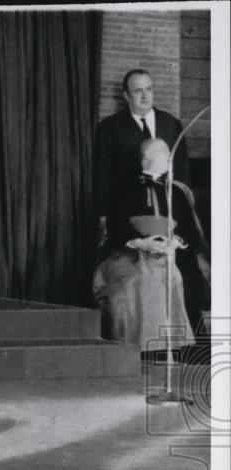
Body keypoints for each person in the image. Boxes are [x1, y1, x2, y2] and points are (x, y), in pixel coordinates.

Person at [92, 138, 210, 350]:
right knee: (137, 280)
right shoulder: (123, 189)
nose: (169, 159)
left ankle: (182, 348)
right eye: (165, 154)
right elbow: (116, 227)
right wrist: (141, 242)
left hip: (173, 253)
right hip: (130, 253)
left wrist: (175, 241)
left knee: (185, 279)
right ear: (147, 158)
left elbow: (190, 230)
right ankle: (140, 346)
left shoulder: (177, 192)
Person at [93, 69, 190, 251]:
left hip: (168, 215)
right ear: (126, 95)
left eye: (149, 89)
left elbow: (182, 171)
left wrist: (185, 212)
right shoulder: (109, 128)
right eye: (138, 91)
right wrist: (103, 216)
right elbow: (103, 174)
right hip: (127, 218)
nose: (145, 96)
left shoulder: (172, 124)